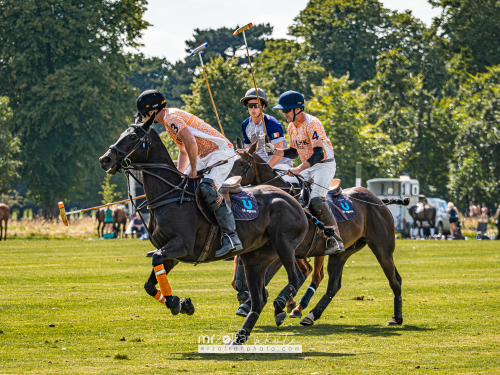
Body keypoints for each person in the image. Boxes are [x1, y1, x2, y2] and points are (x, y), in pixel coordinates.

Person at [136, 89, 242, 257]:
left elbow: (190, 140)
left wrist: (193, 169)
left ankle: (231, 237)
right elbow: (184, 151)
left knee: (207, 189)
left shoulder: (170, 117)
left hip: (220, 151)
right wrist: (179, 175)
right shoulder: (168, 120)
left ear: (152, 111)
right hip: (203, 155)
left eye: (146, 114)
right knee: (180, 187)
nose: (147, 118)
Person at [265, 90, 344, 254]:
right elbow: (293, 152)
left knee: (316, 200)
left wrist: (299, 168)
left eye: (286, 110)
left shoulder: (312, 123)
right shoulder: (292, 126)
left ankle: (335, 239)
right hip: (307, 166)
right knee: (287, 191)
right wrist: (275, 151)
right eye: (283, 110)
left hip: (324, 165)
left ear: (297, 109)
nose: (284, 113)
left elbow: (319, 153)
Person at [240, 88, 295, 183]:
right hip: (257, 167)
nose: (253, 109)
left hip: (279, 164)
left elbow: (278, 155)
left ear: (263, 106)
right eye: (250, 105)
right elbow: (248, 151)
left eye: (256, 106)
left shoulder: (272, 123)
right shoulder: (245, 125)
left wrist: (264, 170)